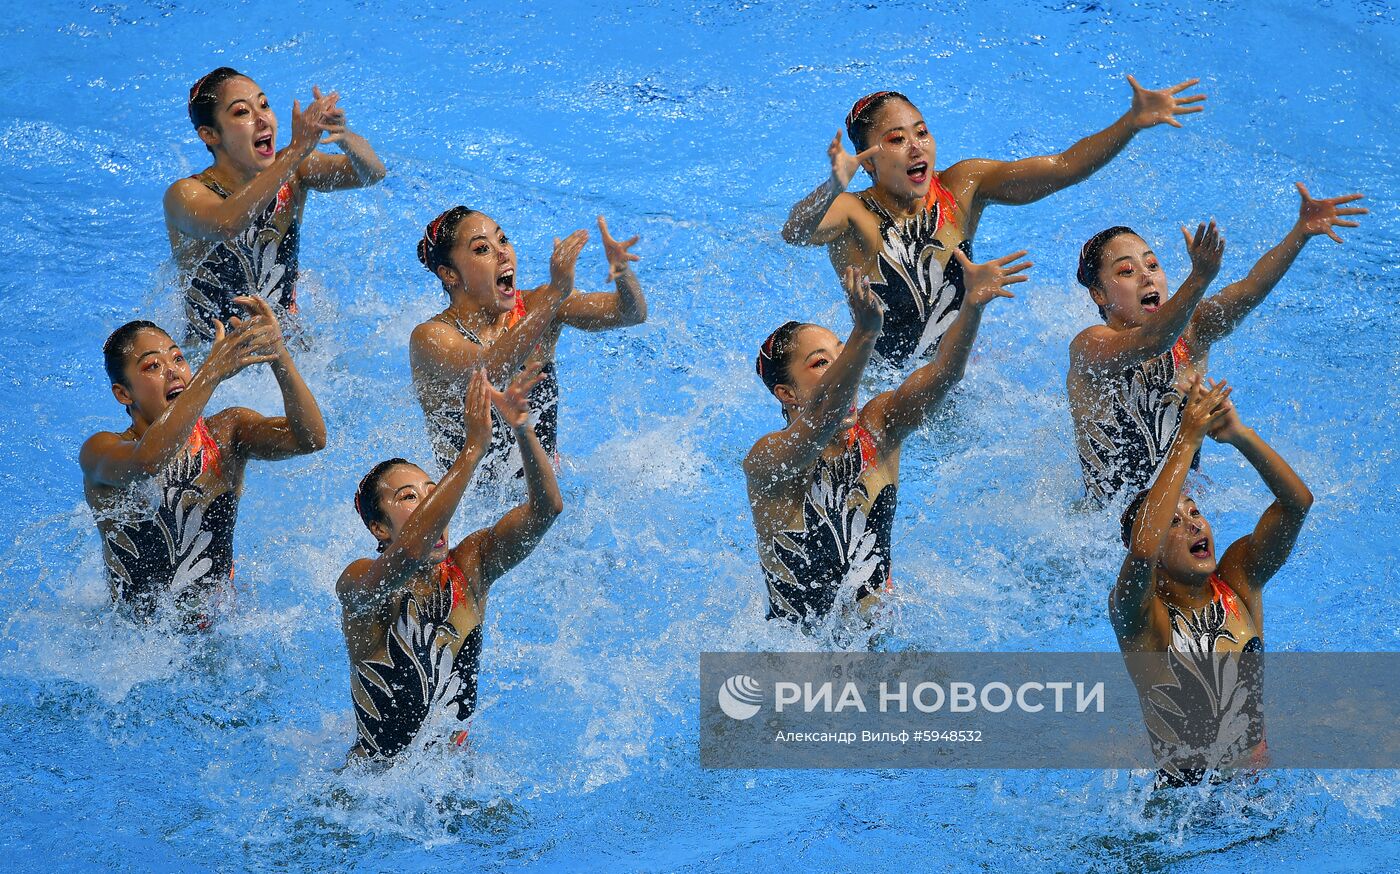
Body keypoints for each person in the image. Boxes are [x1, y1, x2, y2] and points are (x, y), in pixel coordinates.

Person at [782, 76, 1204, 370]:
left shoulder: (963, 187)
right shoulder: (853, 212)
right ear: (868, 161)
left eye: (922, 132)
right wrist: (831, 186)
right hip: (885, 387)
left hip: (958, 371)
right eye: (896, 139)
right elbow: (796, 232)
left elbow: (1063, 168)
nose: (916, 147)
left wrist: (1129, 124)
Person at [745, 249, 1030, 629]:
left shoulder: (878, 427)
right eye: (820, 362)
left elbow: (944, 374)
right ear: (786, 393)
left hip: (877, 645)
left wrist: (972, 307)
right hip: (797, 663)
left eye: (842, 354)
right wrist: (864, 332)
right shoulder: (769, 460)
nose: (847, 368)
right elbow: (824, 415)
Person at [1069, 183, 1366, 504]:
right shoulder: (1090, 346)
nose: (1147, 276)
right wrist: (1199, 277)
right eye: (1127, 271)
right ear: (1098, 294)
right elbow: (1150, 341)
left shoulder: (1192, 332)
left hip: (1182, 523)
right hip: (1107, 533)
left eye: (1153, 265)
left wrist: (1300, 232)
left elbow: (1250, 290)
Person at [338, 365, 562, 761]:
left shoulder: (471, 566)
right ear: (378, 528)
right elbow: (408, 553)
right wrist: (472, 451)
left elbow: (546, 511)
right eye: (409, 497)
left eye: (433, 490)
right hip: (370, 793)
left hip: (457, 779)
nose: (431, 505)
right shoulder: (359, 582)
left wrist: (523, 431)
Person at [1111, 377, 1312, 786]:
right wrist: (1186, 440)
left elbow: (1296, 505)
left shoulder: (1237, 580)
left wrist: (1240, 436)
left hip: (1258, 795)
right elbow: (1143, 550)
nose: (1194, 523)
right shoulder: (1141, 619)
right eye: (1174, 522)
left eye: (1194, 512)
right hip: (1183, 816)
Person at [80, 297, 326, 627]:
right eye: (152, 366)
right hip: (137, 644)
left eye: (178, 358)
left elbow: (311, 439)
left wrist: (279, 355)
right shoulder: (102, 449)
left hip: (220, 630)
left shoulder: (227, 432)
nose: (173, 372)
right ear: (123, 394)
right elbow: (148, 462)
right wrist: (211, 373)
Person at [410, 210, 646, 481]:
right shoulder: (430, 338)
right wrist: (556, 293)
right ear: (449, 274)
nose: (502, 253)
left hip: (545, 493)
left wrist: (622, 272)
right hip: (471, 506)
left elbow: (631, 314)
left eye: (503, 240)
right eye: (482, 248)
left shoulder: (537, 306)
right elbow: (491, 370)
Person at [164, 67, 387, 342]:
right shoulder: (185, 194)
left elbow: (372, 173)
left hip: (286, 349)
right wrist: (295, 151)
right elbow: (226, 224)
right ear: (210, 134)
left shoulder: (295, 171)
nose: (262, 119)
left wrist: (344, 136)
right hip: (212, 358)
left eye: (264, 105)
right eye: (242, 112)